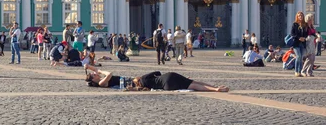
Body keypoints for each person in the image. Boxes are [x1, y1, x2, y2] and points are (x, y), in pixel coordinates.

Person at [84, 65, 229, 92]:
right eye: (95, 76)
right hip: (144, 81)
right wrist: (98, 69)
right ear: (94, 80)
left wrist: (93, 69)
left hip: (159, 83)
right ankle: (215, 88)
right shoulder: (102, 83)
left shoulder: (102, 81)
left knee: (193, 84)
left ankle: (215, 88)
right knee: (193, 84)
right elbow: (109, 74)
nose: (97, 75)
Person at [290, 11, 308, 77]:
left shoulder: (305, 25)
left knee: (301, 57)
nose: (300, 17)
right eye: (299, 16)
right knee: (298, 56)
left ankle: (300, 71)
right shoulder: (295, 24)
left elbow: (306, 33)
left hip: (303, 43)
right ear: (297, 17)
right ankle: (296, 71)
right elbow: (292, 34)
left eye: (301, 15)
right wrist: (299, 38)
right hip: (296, 43)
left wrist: (304, 38)